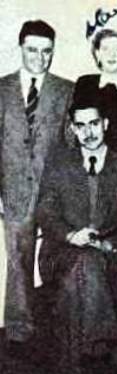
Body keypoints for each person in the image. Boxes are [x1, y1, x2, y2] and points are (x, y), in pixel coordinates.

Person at [37, 100, 117, 374]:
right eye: (80, 126)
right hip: (63, 250)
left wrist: (111, 243)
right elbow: (45, 213)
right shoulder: (59, 165)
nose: (88, 132)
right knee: (81, 263)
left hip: (108, 254)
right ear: (72, 128)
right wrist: (70, 235)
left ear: (105, 124)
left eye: (94, 124)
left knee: (73, 289)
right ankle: (114, 351)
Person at [0, 20, 73, 342]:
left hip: (54, 192)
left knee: (56, 259)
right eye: (33, 50)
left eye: (47, 52)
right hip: (14, 189)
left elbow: (71, 144)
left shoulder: (66, 90)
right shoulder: (1, 90)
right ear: (21, 49)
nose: (39, 58)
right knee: (18, 261)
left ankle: (57, 329)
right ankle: (18, 332)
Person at [73, 29, 117, 162]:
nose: (111, 55)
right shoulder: (85, 84)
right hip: (90, 163)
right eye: (105, 49)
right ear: (97, 54)